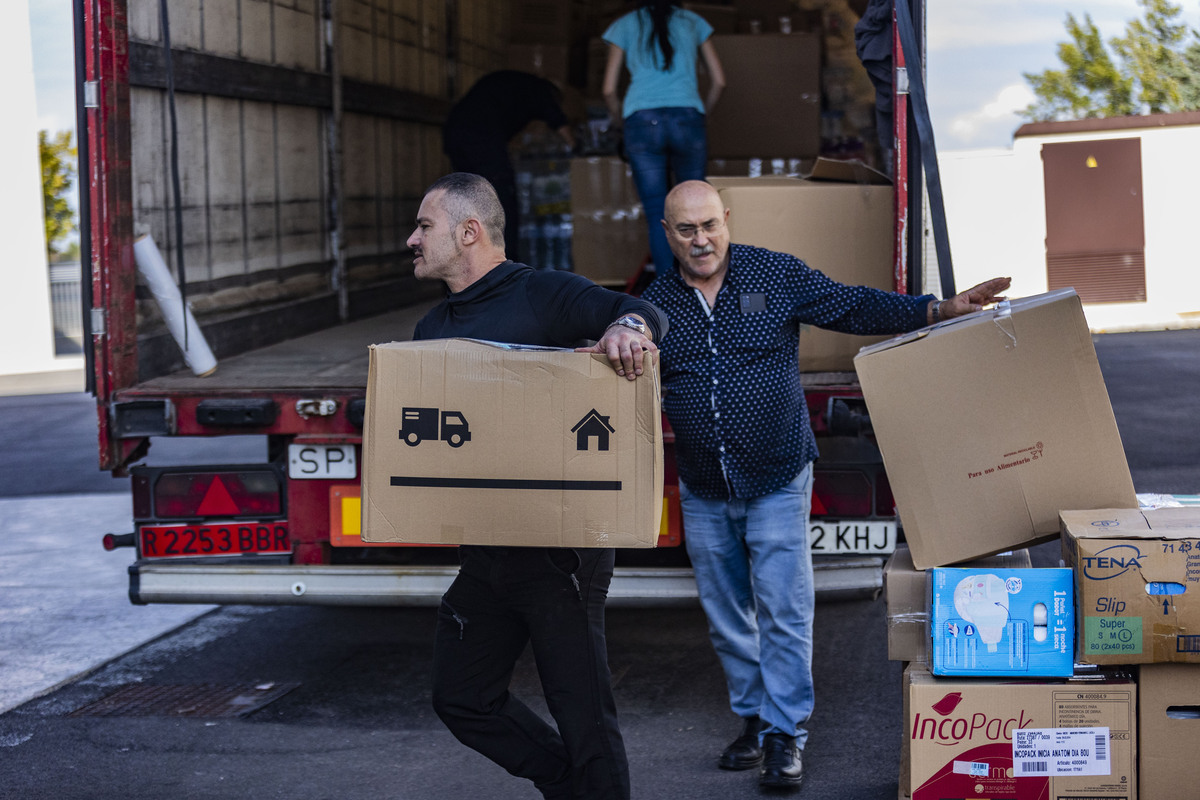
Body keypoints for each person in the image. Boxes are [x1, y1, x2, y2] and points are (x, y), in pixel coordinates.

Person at [640, 180, 1011, 791]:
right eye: (686, 230)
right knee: (727, 612)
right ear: (668, 232)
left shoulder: (774, 274)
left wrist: (936, 309)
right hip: (705, 487)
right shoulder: (656, 303)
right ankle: (755, 719)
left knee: (783, 608)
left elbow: (852, 305)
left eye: (709, 225)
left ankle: (787, 733)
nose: (700, 239)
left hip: (778, 475)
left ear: (726, 219)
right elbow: (621, 353)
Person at [407, 172, 667, 800]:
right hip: (487, 552)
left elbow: (636, 309)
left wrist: (628, 327)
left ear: (469, 231)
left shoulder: (543, 294)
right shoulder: (428, 332)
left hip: (560, 553)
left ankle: (586, 780)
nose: (410, 240)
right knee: (461, 697)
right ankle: (568, 784)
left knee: (585, 718)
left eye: (424, 226)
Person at [602, 0, 725, 276]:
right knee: (696, 215)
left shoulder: (624, 25)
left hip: (641, 121)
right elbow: (719, 81)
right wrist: (702, 112)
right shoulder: (693, 22)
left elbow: (609, 89)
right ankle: (702, 288)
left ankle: (667, 297)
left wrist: (620, 121)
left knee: (659, 215)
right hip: (688, 117)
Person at [442, 71, 576, 261]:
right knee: (502, 196)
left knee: (469, 197)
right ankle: (504, 260)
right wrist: (576, 151)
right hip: (479, 135)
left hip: (454, 132)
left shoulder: (515, 86)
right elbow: (559, 121)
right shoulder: (539, 90)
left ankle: (464, 259)